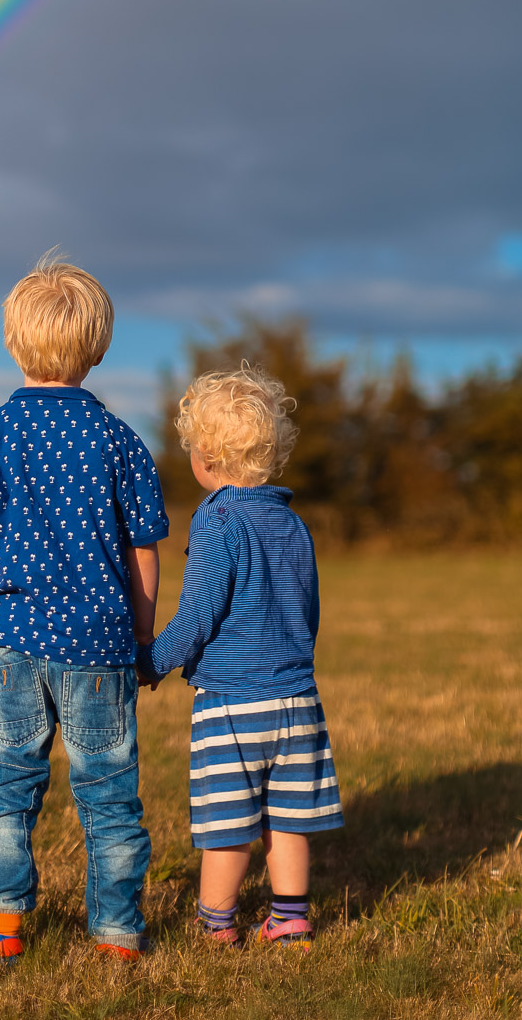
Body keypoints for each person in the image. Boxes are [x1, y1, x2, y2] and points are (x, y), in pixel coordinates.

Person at [0, 254, 169, 963]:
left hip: (11, 642)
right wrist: (140, 635)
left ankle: (2, 929)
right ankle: (116, 935)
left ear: (12, 344)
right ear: (97, 349)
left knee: (7, 791)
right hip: (99, 647)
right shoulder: (118, 440)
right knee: (109, 800)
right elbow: (144, 551)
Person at [138, 365, 342, 948]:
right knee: (287, 818)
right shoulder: (292, 520)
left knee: (226, 825)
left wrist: (155, 660)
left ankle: (216, 922)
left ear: (205, 455)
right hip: (298, 698)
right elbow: (310, 608)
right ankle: (290, 919)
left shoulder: (219, 516)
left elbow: (200, 609)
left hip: (233, 701)